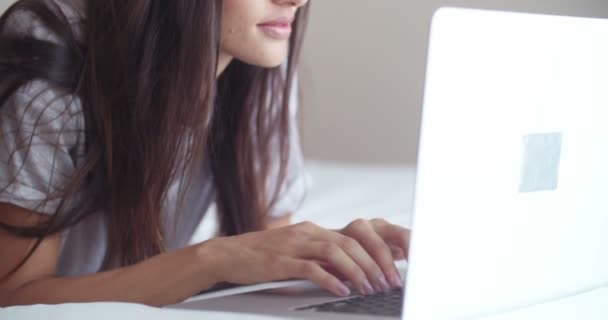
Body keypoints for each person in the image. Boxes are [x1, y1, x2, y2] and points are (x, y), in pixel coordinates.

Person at [0, 0, 410, 307]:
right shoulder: (51, 57)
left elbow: (266, 240)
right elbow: (16, 296)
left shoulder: (258, 54)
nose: (296, 0)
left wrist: (341, 254)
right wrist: (210, 259)